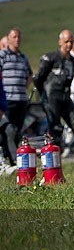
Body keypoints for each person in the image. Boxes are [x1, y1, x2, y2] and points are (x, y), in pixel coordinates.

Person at [32, 29, 74, 167]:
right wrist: (44, 95)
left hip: (66, 98)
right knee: (56, 129)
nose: (69, 44)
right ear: (60, 42)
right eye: (66, 41)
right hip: (51, 98)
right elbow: (37, 78)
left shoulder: (73, 61)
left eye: (71, 42)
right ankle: (53, 164)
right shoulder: (50, 57)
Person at [0, 27, 33, 164]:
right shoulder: (2, 55)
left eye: (19, 36)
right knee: (8, 130)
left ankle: (16, 160)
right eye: (14, 37)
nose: (17, 39)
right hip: (7, 99)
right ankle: (9, 159)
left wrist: (23, 88)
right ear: (8, 39)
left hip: (21, 99)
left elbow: (30, 75)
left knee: (17, 131)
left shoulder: (23, 57)